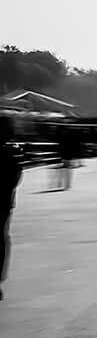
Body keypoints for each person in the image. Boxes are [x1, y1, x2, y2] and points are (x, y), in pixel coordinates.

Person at [0, 117, 24, 301]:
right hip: (4, 201)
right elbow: (16, 178)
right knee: (2, 237)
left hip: (4, 200)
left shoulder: (11, 153)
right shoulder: (13, 153)